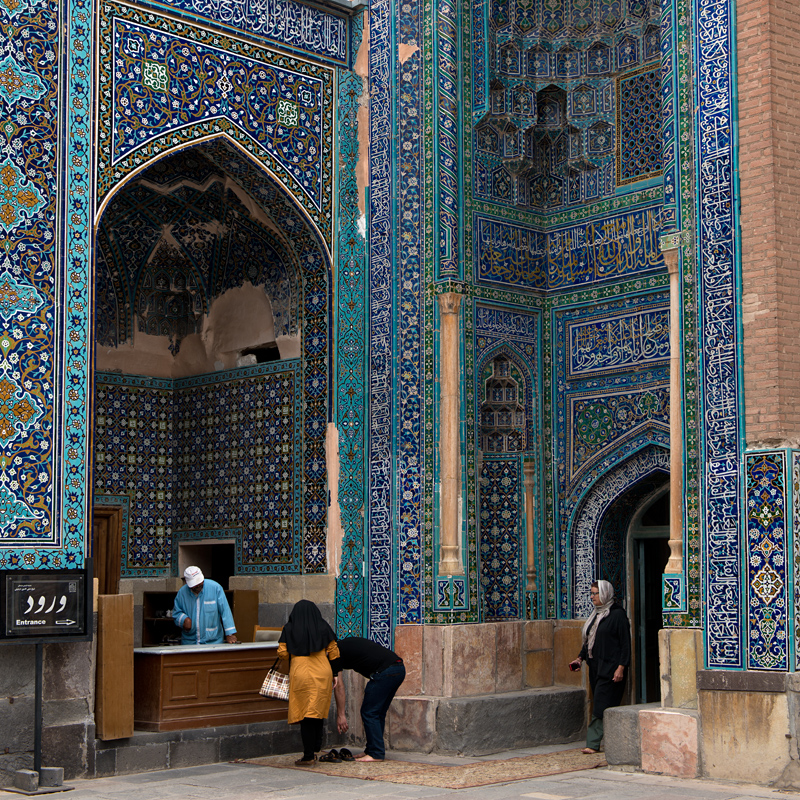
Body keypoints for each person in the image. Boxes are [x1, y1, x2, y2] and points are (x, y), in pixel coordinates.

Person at [569, 579, 630, 754]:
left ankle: (593, 743)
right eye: (591, 593)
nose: (592, 597)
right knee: (604, 704)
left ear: (605, 594)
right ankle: (613, 740)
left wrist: (621, 667)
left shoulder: (617, 615)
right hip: (596, 667)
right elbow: (589, 640)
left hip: (611, 669)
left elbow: (625, 644)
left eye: (595, 593)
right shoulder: (596, 615)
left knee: (601, 704)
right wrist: (580, 658)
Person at [277, 600, 340, 765]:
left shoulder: (289, 628)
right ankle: (317, 745)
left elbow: (282, 653)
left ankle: (308, 755)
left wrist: (294, 651)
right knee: (317, 709)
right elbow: (334, 652)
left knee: (305, 714)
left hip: (300, 674)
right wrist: (334, 673)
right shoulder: (323, 626)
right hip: (322, 672)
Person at [331, 636, 405, 762]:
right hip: (398, 668)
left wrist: (341, 714)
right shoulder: (344, 644)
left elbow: (339, 686)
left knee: (369, 712)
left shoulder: (334, 653)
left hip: (385, 672)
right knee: (377, 713)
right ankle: (372, 749)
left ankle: (376, 753)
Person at [172, 566, 238, 645]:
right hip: (190, 642)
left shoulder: (215, 588)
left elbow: (225, 611)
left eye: (200, 583)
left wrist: (230, 633)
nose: (198, 586)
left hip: (213, 641)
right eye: (195, 586)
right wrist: (184, 620)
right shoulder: (182, 593)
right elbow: (176, 612)